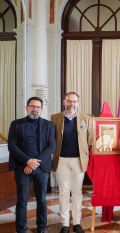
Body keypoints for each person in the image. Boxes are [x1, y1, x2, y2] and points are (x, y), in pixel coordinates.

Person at [8, 97, 56, 233]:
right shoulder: (16, 124)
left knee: (42, 200)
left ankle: (41, 228)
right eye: (32, 106)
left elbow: (51, 146)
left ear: (41, 109)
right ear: (27, 107)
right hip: (22, 168)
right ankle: (21, 229)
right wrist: (27, 161)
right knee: (22, 201)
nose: (35, 109)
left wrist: (34, 163)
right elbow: (12, 146)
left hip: (41, 168)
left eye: (38, 107)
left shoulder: (48, 125)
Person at [51, 92, 94, 233]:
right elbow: (52, 138)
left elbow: (90, 140)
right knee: (63, 192)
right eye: (69, 101)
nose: (72, 104)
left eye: (75, 101)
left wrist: (82, 153)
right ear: (64, 102)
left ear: (78, 103)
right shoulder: (55, 118)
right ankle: (64, 223)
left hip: (78, 161)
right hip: (61, 159)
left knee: (77, 192)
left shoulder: (86, 119)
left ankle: (76, 222)